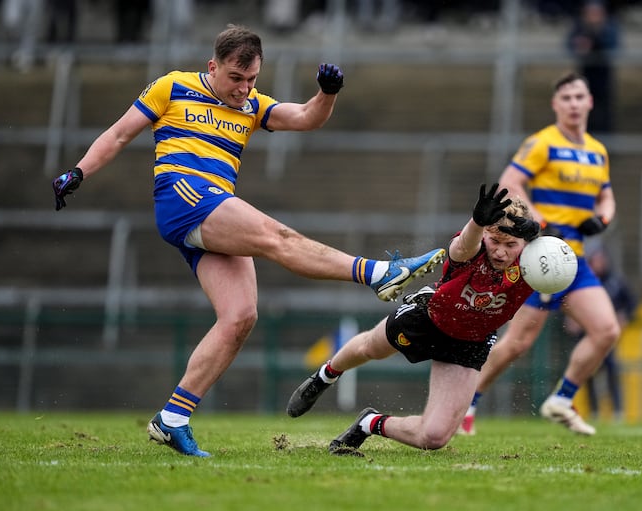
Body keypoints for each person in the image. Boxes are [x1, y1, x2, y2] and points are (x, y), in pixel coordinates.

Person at [51, 24, 445, 457]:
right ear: (212, 67)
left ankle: (173, 418)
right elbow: (119, 133)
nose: (243, 89)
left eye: (251, 79)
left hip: (214, 207)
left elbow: (305, 117)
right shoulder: (172, 87)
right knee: (277, 236)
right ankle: (378, 273)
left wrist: (328, 93)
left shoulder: (253, 105)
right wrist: (79, 171)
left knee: (239, 317)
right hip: (184, 196)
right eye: (235, 79)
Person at [286, 183, 541, 454]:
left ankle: (368, 423)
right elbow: (462, 245)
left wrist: (542, 233)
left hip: (470, 344)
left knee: (434, 438)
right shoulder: (472, 248)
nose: (501, 252)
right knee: (370, 348)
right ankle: (325, 376)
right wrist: (477, 223)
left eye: (510, 244)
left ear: (525, 243)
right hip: (429, 318)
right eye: (495, 242)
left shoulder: (534, 261)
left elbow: (561, 258)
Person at [460, 72, 620, 437]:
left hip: (574, 260)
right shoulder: (542, 143)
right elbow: (508, 183)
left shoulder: (598, 150)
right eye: (566, 98)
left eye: (580, 97)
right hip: (541, 260)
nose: (574, 104)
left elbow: (607, 194)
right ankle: (466, 401)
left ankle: (562, 399)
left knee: (606, 330)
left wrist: (603, 217)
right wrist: (539, 219)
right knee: (517, 343)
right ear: (556, 105)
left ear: (590, 102)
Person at [564, 244, 635, 420]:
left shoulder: (616, 281)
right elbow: (566, 304)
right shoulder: (582, 283)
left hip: (607, 336)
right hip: (586, 335)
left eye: (600, 259)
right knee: (587, 371)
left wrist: (624, 317)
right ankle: (594, 410)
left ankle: (618, 410)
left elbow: (631, 303)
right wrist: (573, 317)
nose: (598, 263)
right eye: (595, 260)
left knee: (611, 370)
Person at [566, 0, 620, 134]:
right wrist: (579, 47)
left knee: (603, 111)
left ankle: (605, 139)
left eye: (596, 13)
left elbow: (615, 47)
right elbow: (568, 45)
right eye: (590, 13)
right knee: (584, 109)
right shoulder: (579, 28)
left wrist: (598, 41)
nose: (593, 16)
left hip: (603, 77)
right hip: (585, 75)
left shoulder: (609, 28)